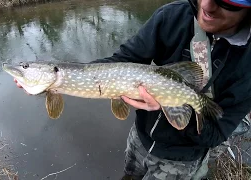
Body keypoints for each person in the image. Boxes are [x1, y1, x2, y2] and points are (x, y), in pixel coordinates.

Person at [14, 0, 251, 179]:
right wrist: (41, 84)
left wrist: (170, 104)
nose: (208, 5)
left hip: (180, 160)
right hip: (139, 139)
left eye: (225, 2)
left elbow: (216, 133)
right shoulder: (171, 17)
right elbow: (122, 60)